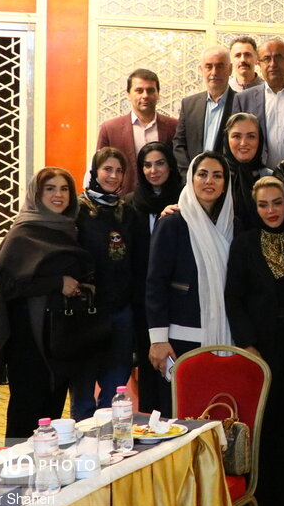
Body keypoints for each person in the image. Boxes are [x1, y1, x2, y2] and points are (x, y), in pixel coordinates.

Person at [225, 176, 284, 506]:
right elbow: (233, 298)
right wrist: (247, 343)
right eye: (263, 204)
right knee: (262, 420)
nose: (271, 210)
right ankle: (259, 498)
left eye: (277, 203)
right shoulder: (244, 244)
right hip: (260, 346)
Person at [0, 168, 90, 438]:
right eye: (50, 188)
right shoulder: (23, 233)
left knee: (51, 414)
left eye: (64, 189)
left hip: (60, 338)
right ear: (36, 194)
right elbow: (9, 284)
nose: (58, 195)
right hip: (28, 341)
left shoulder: (69, 229)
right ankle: (16, 462)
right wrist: (56, 283)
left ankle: (45, 463)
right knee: (26, 412)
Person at [146, 152, 236, 413]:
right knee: (179, 417)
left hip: (225, 340)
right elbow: (156, 283)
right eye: (202, 174)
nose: (209, 181)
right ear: (191, 179)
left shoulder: (234, 226)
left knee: (218, 414)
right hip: (179, 341)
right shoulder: (172, 222)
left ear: (225, 185)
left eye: (217, 176)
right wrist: (158, 340)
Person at [69, 147, 137, 420]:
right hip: (87, 311)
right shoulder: (77, 209)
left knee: (115, 388)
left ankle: (109, 439)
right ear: (95, 171)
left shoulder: (127, 211)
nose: (113, 176)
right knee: (83, 388)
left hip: (120, 310)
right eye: (107, 169)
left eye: (119, 171)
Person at [125, 142, 182, 412]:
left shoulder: (184, 200)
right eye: (147, 165)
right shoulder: (130, 204)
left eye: (160, 163)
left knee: (174, 367)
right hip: (141, 299)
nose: (153, 170)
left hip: (175, 298)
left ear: (170, 166)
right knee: (148, 367)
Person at [96, 68, 178, 195]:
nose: (145, 96)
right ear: (128, 94)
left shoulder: (174, 127)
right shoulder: (110, 129)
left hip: (165, 201)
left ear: (158, 94)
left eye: (150, 90)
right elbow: (100, 169)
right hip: (122, 200)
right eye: (139, 90)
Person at [232, 38, 284, 168]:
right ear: (259, 64)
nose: (273, 64)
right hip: (257, 174)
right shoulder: (243, 99)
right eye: (266, 59)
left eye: (278, 57)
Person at [172, 45, 235, 173]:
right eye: (208, 66)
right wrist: (189, 177)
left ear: (230, 69)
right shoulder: (189, 105)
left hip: (228, 180)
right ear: (201, 70)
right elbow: (179, 144)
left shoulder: (241, 103)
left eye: (220, 66)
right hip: (192, 180)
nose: (214, 72)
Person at [222, 112, 272, 230]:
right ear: (227, 139)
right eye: (236, 136)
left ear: (260, 140)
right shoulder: (216, 176)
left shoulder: (271, 177)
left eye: (251, 136)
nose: (243, 143)